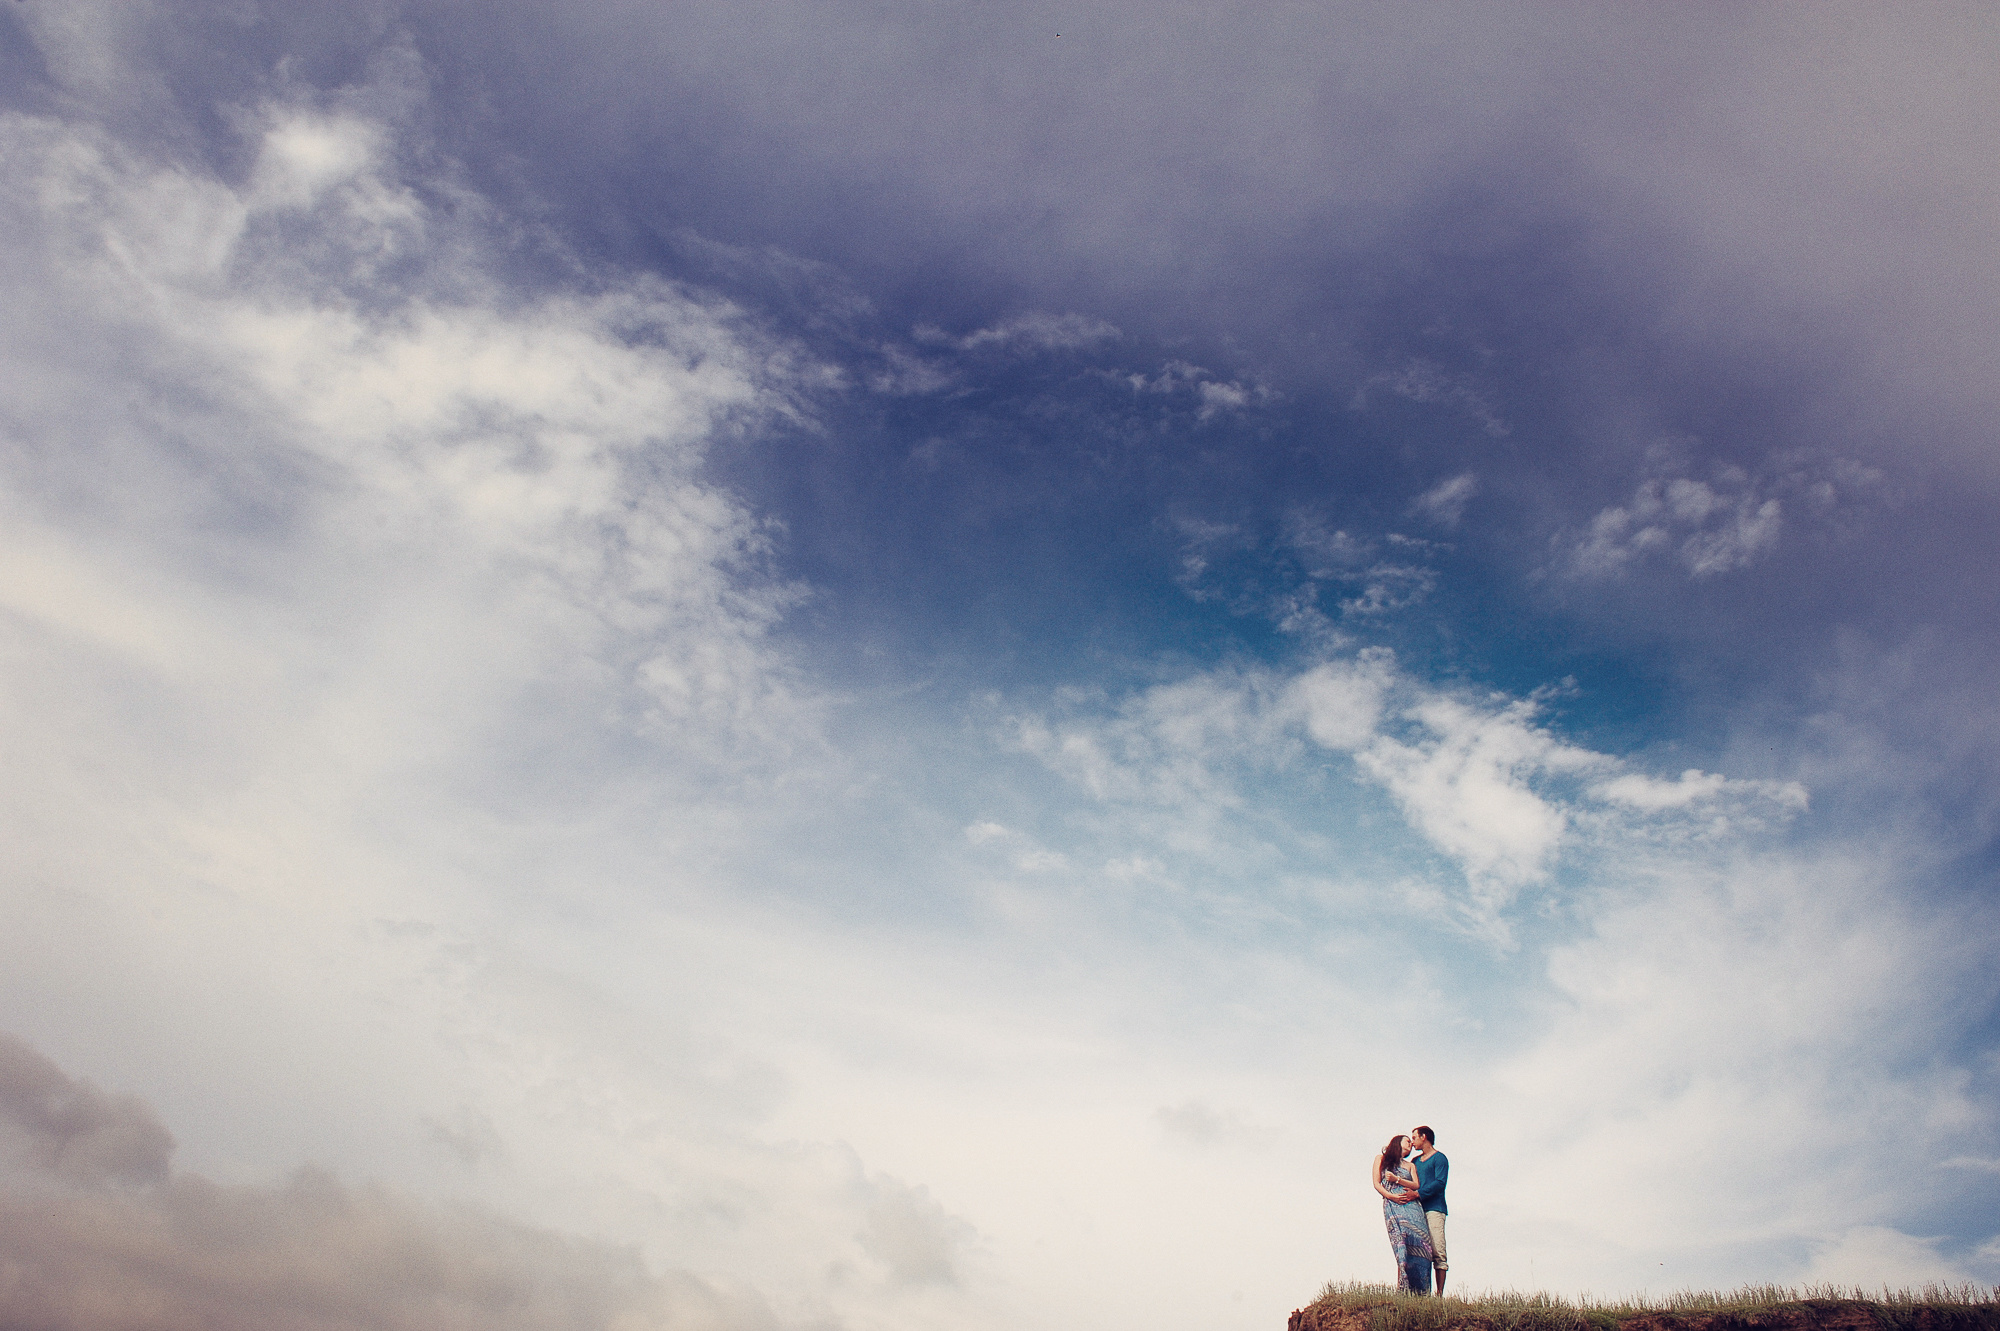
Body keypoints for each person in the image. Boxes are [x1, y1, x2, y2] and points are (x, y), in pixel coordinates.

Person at [1371, 1132, 1434, 1294]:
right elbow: (1377, 1184)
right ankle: (1403, 1289)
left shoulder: (1410, 1165)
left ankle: (1422, 1293)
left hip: (1413, 1208)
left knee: (1421, 1246)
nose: (1411, 1144)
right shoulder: (1381, 1159)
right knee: (1401, 1245)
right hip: (1394, 1206)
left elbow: (1416, 1185)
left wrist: (1397, 1180)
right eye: (1408, 1141)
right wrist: (1392, 1196)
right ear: (1397, 1142)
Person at [1409, 1125, 1449, 1295]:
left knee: (1437, 1250)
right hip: (1417, 1210)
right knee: (1418, 1250)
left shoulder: (1439, 1158)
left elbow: (1440, 1183)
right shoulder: (1415, 1162)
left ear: (1423, 1137)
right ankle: (1419, 1292)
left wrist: (1418, 1193)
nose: (1412, 1142)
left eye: (1414, 1138)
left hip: (1434, 1209)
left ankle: (1439, 1294)